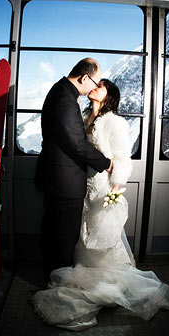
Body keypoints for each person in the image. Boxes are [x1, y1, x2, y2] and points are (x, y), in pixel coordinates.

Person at [32, 79, 169, 330]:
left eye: (102, 85)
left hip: (103, 184)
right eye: (96, 83)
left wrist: (116, 188)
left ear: (109, 96)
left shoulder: (116, 122)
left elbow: (122, 159)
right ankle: (79, 270)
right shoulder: (85, 115)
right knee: (81, 230)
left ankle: (103, 278)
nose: (96, 86)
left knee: (101, 231)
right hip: (80, 181)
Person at [35, 58, 113, 283]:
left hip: (58, 178)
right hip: (64, 182)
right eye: (95, 81)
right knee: (62, 238)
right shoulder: (64, 99)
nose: (95, 86)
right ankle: (57, 285)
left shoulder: (62, 93)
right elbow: (76, 143)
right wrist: (106, 163)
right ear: (84, 78)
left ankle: (51, 276)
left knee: (55, 233)